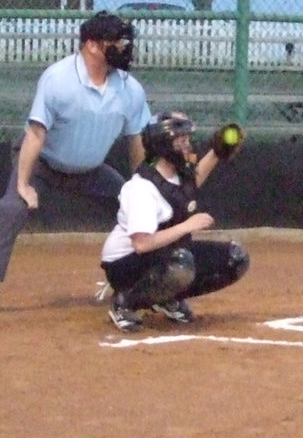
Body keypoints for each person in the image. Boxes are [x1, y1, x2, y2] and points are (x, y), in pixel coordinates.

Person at [0, 11, 153, 316]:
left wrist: (143, 186)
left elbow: (137, 139)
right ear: (91, 45)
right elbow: (36, 134)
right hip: (42, 162)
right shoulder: (58, 79)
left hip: (90, 169)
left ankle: (144, 279)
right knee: (11, 207)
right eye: (114, 41)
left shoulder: (129, 88)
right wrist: (24, 184)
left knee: (136, 209)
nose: (122, 46)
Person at [99, 111, 249, 332]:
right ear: (163, 145)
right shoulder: (142, 188)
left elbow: (191, 183)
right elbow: (142, 244)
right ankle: (125, 302)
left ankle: (164, 296)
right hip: (125, 264)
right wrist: (188, 226)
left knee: (235, 259)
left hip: (162, 254)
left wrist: (217, 152)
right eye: (181, 140)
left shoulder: (177, 174)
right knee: (181, 263)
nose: (188, 145)